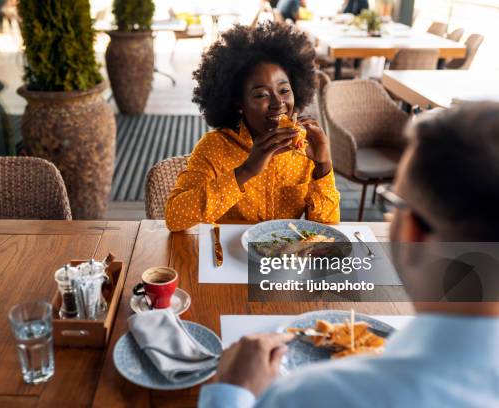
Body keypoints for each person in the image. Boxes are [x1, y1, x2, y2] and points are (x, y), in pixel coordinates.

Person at [198, 102, 499, 407]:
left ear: (412, 234)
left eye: (391, 203)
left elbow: (327, 222)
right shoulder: (215, 147)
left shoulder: (310, 394)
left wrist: (232, 391)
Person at [165, 22, 340, 232]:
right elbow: (174, 217)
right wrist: (246, 171)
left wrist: (323, 166)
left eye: (284, 90)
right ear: (239, 103)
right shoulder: (215, 147)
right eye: (261, 95)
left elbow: (327, 230)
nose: (278, 103)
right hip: (225, 258)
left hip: (283, 259)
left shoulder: (306, 148)